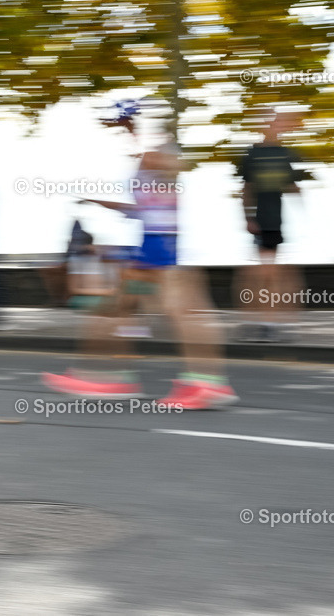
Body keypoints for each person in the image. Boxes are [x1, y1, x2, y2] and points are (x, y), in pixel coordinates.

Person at [42, 107, 236, 409]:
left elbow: (168, 168)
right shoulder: (150, 163)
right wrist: (98, 201)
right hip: (154, 246)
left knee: (180, 312)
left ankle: (204, 383)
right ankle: (112, 376)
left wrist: (131, 128)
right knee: (121, 308)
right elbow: (140, 209)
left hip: (163, 247)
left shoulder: (160, 157)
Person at [237, 110, 303, 342]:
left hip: (276, 222)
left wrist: (298, 194)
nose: (276, 127)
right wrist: (248, 218)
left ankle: (267, 323)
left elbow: (290, 184)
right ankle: (261, 323)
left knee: (269, 274)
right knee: (262, 274)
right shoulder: (252, 154)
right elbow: (246, 190)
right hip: (260, 221)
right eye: (272, 123)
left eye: (279, 123)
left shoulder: (285, 154)